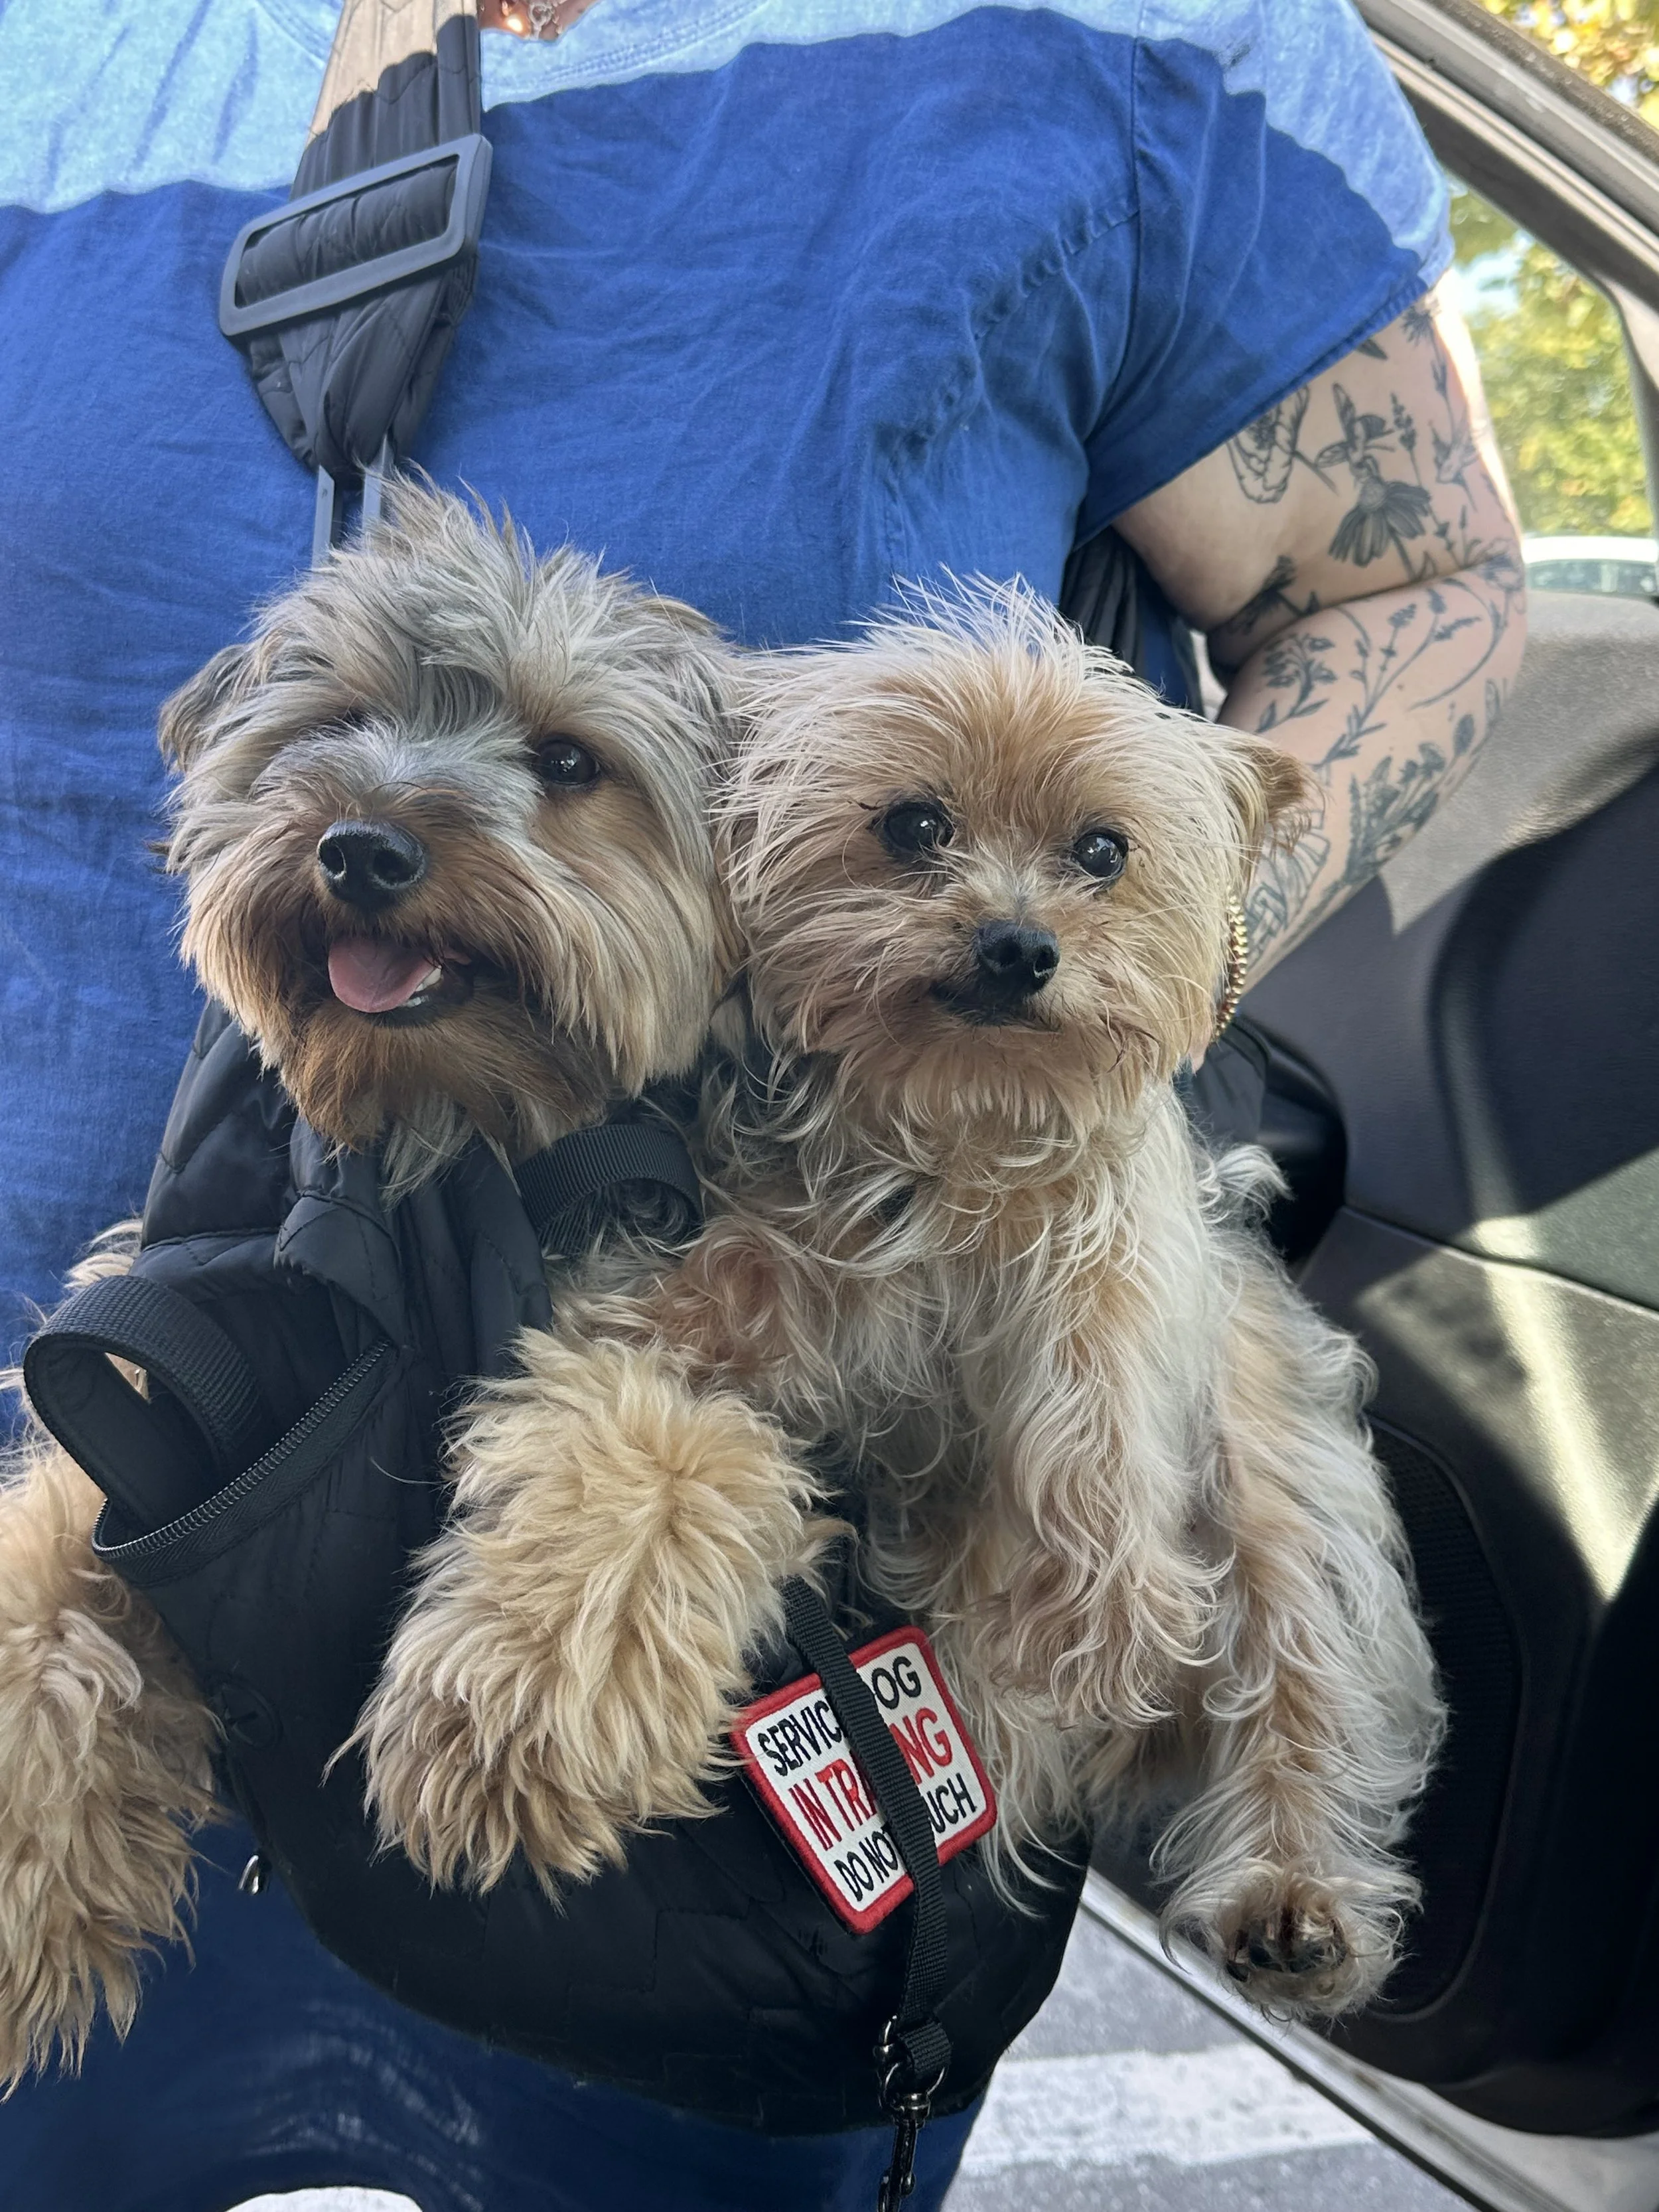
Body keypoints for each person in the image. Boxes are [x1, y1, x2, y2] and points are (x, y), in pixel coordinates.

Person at [0, 1, 1523, 2205]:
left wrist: (1081, 1014)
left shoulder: (1166, 35)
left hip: (741, 1633)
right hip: (106, 1465)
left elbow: (1410, 588)